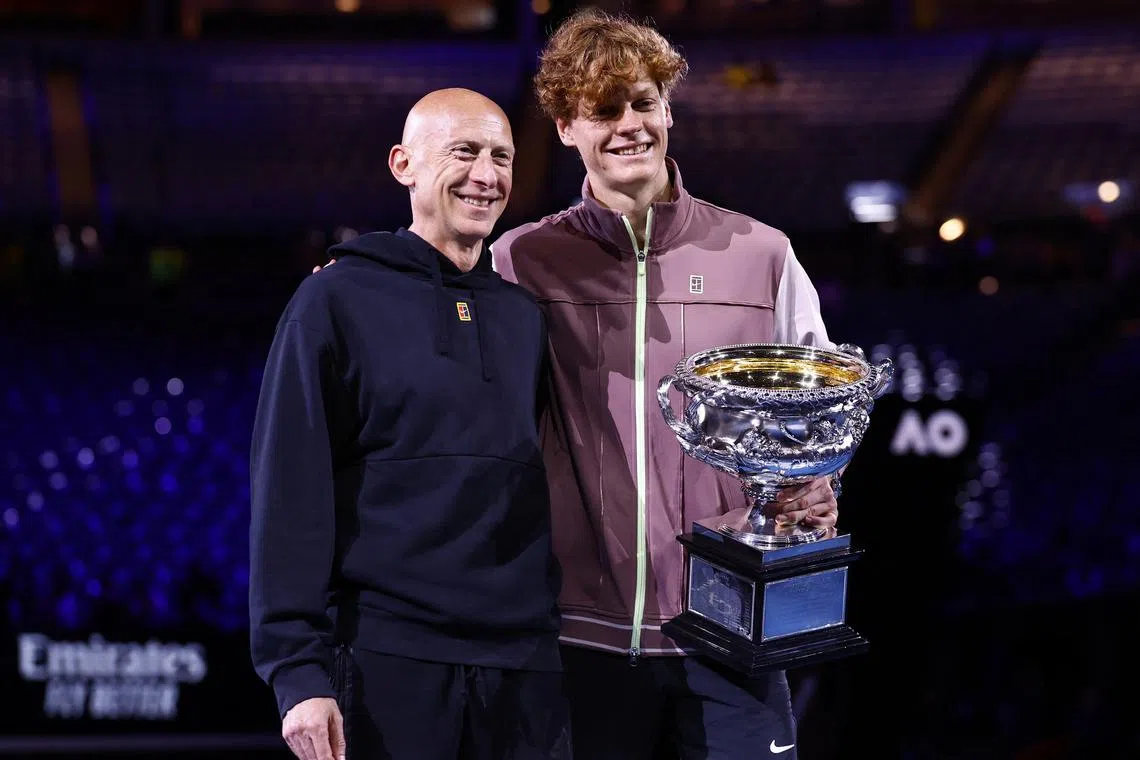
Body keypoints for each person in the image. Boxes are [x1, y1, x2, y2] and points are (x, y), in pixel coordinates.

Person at [488, 9, 840, 760]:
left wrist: (817, 482)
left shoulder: (762, 253)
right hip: (582, 633)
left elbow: (825, 406)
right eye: (603, 110)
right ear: (564, 128)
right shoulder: (521, 262)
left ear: (669, 109)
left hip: (733, 625)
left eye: (643, 103)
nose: (628, 127)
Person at [249, 88, 570, 760]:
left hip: (524, 668)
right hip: (385, 660)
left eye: (501, 157)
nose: (487, 175)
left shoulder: (524, 317)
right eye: (465, 152)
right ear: (404, 165)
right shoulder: (334, 299)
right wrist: (296, 672)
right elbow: (290, 489)